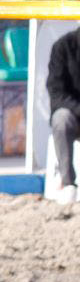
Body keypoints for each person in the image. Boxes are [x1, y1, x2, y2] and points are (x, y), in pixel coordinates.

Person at [46, 26, 80, 205]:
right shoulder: (62, 47)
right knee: (61, 119)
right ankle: (68, 184)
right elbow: (57, 93)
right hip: (73, 114)